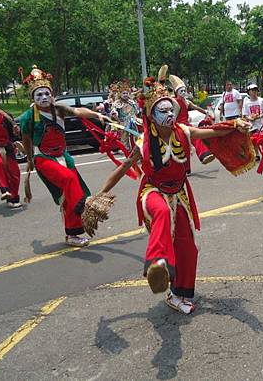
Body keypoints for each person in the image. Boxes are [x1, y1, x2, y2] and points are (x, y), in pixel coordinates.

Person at [94, 69, 253, 315]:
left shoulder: (184, 131)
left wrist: (235, 124)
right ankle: (157, 263)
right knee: (161, 213)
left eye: (171, 110)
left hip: (179, 194)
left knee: (188, 247)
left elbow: (213, 132)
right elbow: (122, 169)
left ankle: (179, 292)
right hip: (153, 192)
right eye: (163, 111)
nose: (169, 114)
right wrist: (98, 196)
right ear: (151, 115)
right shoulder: (143, 142)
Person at [19, 65, 111, 247]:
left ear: (51, 94)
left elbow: (78, 112)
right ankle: (84, 207)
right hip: (43, 158)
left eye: (47, 93)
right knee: (70, 181)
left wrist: (97, 114)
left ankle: (72, 234)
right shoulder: (28, 117)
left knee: (69, 195)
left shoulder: (59, 109)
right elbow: (26, 139)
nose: (44, 97)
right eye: (39, 95)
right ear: (33, 97)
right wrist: (29, 160)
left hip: (64, 157)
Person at [168, 68, 215, 165]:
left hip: (186, 124)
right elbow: (174, 114)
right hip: (179, 125)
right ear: (177, 92)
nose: (184, 92)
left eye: (184, 90)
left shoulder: (186, 101)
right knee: (191, 140)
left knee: (196, 136)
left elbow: (196, 107)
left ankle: (204, 154)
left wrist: (206, 112)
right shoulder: (175, 101)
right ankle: (203, 155)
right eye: (181, 90)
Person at [242, 83, 263, 160]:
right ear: (249, 92)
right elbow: (245, 115)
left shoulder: (261, 100)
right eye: (252, 90)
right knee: (253, 140)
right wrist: (250, 118)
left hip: (261, 124)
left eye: (255, 90)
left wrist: (260, 116)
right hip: (252, 125)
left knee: (262, 140)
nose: (254, 92)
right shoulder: (246, 103)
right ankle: (257, 154)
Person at [113, 79, 141, 150]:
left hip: (134, 122)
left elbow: (137, 111)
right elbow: (113, 112)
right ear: (120, 94)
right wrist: (117, 117)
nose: (125, 95)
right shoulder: (117, 103)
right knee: (125, 141)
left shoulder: (132, 102)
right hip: (123, 124)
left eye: (126, 93)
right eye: (123, 93)